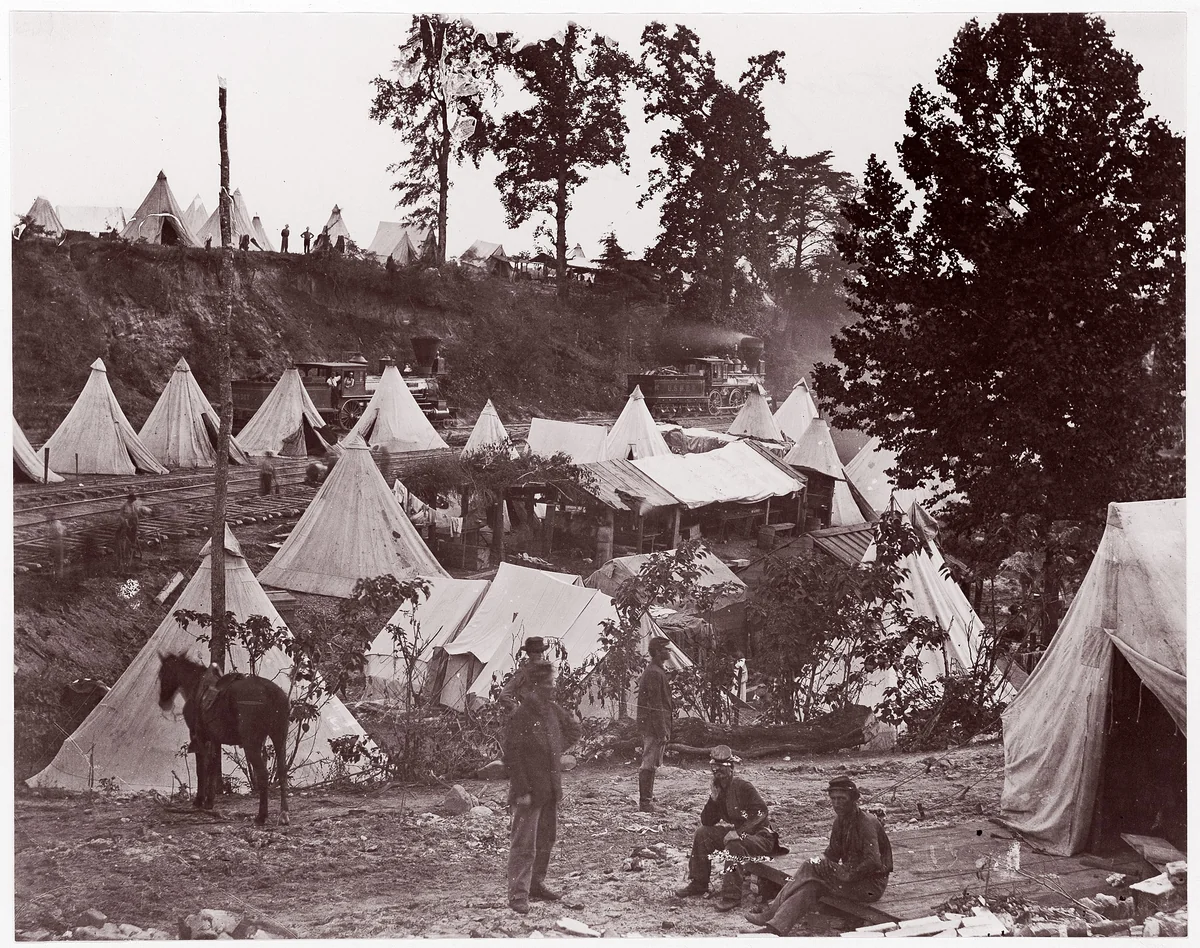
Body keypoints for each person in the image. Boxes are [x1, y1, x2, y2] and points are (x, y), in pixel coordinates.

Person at [745, 776, 892, 935]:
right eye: (833, 799)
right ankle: (774, 929)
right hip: (852, 879)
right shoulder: (840, 821)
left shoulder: (866, 823)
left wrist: (845, 874)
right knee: (811, 886)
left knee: (811, 865)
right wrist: (822, 869)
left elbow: (873, 862)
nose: (836, 803)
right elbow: (832, 855)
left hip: (870, 886)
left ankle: (771, 911)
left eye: (842, 799)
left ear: (853, 800)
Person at [504, 661, 581, 915]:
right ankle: (518, 894)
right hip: (529, 791)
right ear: (534, 686)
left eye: (552, 682)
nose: (552, 687)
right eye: (547, 683)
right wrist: (522, 790)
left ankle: (536, 885)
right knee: (524, 843)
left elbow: (573, 729)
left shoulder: (551, 710)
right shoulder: (521, 715)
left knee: (546, 838)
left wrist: (556, 751)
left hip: (549, 788)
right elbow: (512, 757)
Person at [676, 746, 784, 912]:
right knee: (702, 833)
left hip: (761, 838)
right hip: (741, 835)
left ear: (731, 769)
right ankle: (699, 883)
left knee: (734, 845)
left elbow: (762, 812)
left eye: (722, 769)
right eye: (715, 769)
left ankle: (731, 896)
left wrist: (739, 833)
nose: (718, 773)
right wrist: (713, 799)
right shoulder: (719, 789)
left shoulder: (743, 786)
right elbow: (707, 821)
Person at [636, 637, 673, 812]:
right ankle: (645, 802)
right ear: (658, 652)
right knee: (649, 763)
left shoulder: (657, 670)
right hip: (652, 725)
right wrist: (661, 730)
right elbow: (655, 705)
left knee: (652, 762)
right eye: (666, 649)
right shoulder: (653, 672)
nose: (669, 652)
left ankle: (647, 799)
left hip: (653, 724)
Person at [498, 637, 553, 711]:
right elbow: (503, 696)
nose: (540, 655)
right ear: (529, 654)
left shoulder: (546, 672)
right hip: (530, 716)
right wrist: (517, 710)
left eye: (541, 651)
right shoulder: (523, 673)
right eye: (536, 652)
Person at [118, 493, 151, 562]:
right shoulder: (124, 506)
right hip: (126, 524)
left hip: (133, 524)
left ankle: (133, 553)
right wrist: (125, 522)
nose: (132, 501)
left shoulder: (133, 505)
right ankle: (126, 555)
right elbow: (121, 515)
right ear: (129, 499)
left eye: (133, 500)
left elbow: (137, 512)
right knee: (126, 539)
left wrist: (141, 516)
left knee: (133, 539)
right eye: (131, 500)